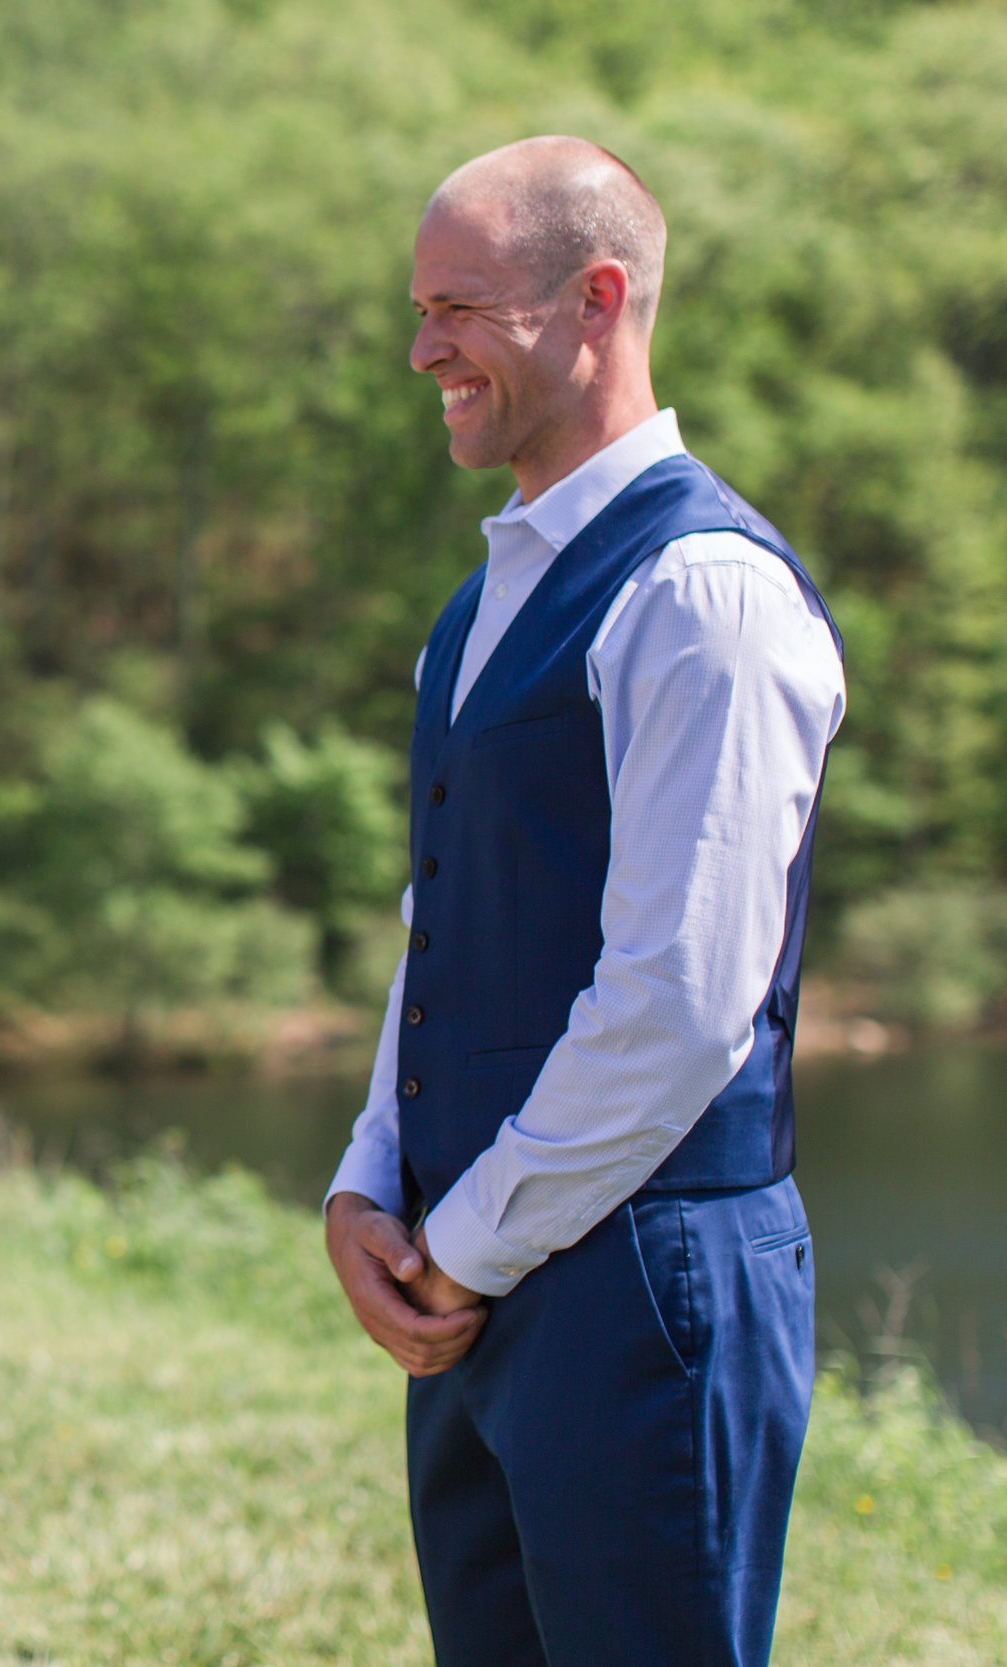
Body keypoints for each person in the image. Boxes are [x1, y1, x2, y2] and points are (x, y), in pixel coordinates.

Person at [322, 139, 845, 1664]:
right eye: (419, 308)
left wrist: (462, 1238)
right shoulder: (477, 609)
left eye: (461, 307)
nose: (423, 347)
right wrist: (370, 1183)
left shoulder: (706, 597)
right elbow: (446, 934)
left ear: (595, 300)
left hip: (642, 1284)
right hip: (484, 1272)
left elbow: (682, 1002)